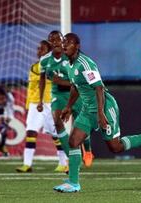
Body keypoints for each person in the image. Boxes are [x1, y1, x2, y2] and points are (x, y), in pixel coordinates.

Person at [53, 33, 141, 193]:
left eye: (68, 43)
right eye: (64, 43)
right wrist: (69, 106)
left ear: (77, 46)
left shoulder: (86, 64)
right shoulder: (68, 65)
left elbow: (99, 88)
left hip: (104, 106)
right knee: (73, 141)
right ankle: (73, 183)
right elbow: (75, 86)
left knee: (115, 147)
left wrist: (101, 114)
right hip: (87, 109)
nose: (64, 45)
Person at [38, 30, 94, 168]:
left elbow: (77, 80)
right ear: (50, 43)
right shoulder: (44, 60)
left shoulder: (69, 56)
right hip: (57, 94)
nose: (56, 42)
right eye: (53, 40)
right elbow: (42, 79)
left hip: (75, 93)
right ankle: (71, 158)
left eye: (58, 39)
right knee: (57, 121)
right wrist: (40, 100)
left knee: (81, 124)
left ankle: (88, 150)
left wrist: (60, 81)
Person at [16, 40, 68, 173]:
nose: (39, 51)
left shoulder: (55, 65)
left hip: (51, 103)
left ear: (49, 51)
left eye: (42, 49)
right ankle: (27, 164)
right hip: (35, 104)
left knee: (56, 135)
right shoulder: (34, 67)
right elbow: (31, 88)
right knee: (31, 132)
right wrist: (29, 104)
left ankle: (64, 163)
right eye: (38, 48)